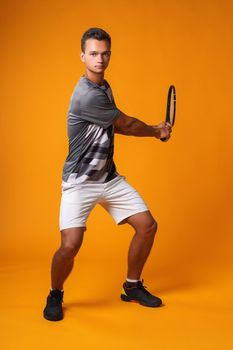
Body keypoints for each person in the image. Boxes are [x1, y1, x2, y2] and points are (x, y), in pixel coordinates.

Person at [43, 27, 172, 321]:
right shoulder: (86, 95)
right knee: (70, 245)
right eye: (93, 54)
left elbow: (111, 124)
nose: (99, 59)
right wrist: (156, 130)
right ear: (82, 56)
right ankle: (55, 293)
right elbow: (123, 124)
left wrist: (153, 130)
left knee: (147, 225)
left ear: (109, 55)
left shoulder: (104, 87)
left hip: (108, 178)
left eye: (104, 54)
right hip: (79, 182)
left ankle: (132, 285)